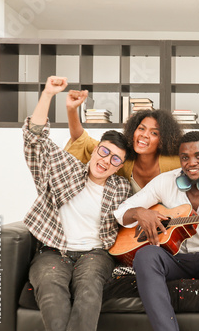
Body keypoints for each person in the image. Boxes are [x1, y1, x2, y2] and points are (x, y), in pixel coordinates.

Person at [23, 76, 132, 331]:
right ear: (94, 150)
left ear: (119, 167)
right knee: (51, 292)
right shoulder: (68, 168)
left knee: (89, 291)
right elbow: (34, 140)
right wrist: (48, 94)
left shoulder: (122, 189)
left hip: (95, 255)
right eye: (104, 152)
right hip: (53, 251)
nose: (106, 161)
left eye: (116, 160)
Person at [114, 131, 199, 331]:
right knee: (146, 255)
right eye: (185, 158)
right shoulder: (165, 182)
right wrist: (139, 212)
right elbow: (121, 212)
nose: (191, 163)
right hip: (175, 259)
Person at [64, 92, 199, 210]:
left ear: (163, 139)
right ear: (133, 130)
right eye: (141, 128)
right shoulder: (122, 159)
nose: (144, 135)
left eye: (154, 133)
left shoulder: (173, 161)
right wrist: (72, 110)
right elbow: (83, 140)